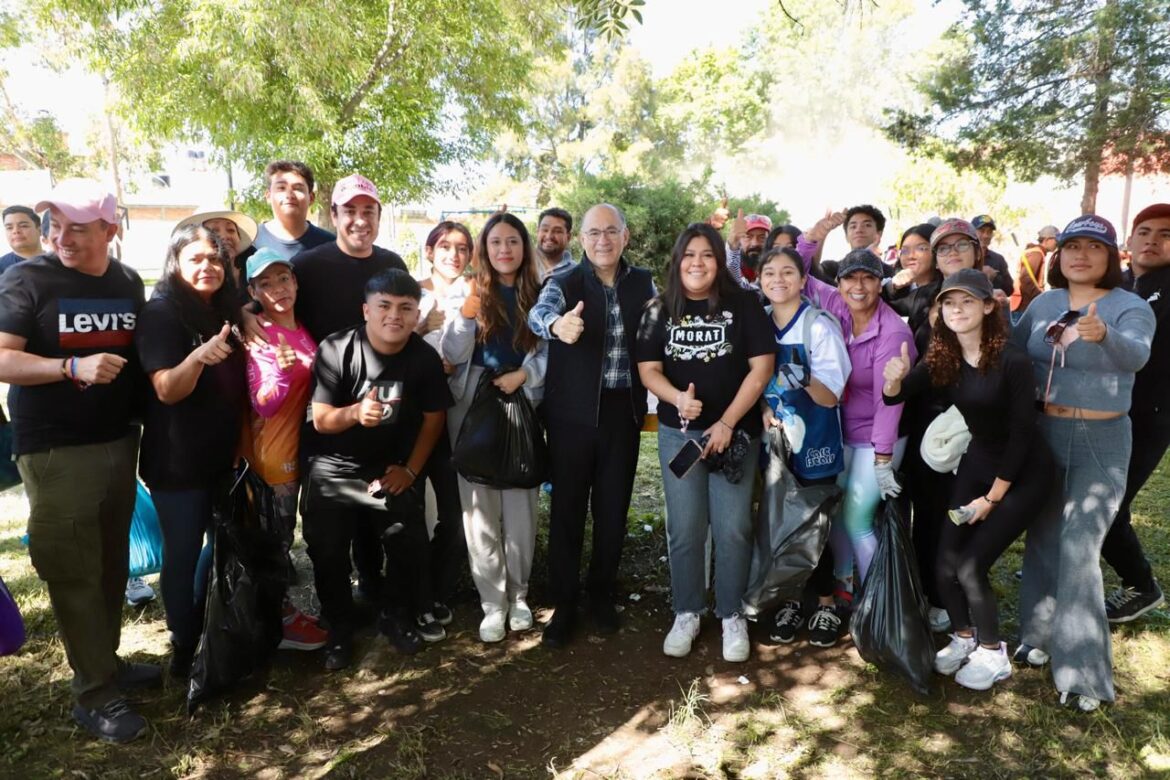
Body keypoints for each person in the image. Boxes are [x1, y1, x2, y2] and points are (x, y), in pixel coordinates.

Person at [0, 179, 156, 743]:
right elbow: (2, 358)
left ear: (110, 231)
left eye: (78, 227)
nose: (61, 237)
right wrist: (69, 368)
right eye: (54, 225)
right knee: (74, 570)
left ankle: (107, 666)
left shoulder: (125, 280)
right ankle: (93, 695)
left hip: (118, 442)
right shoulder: (27, 278)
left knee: (112, 563)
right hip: (54, 448)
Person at [883, 269, 1053, 690]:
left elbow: (1021, 435)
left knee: (972, 564)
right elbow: (896, 395)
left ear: (989, 306)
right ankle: (963, 637)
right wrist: (894, 377)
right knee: (944, 560)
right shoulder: (945, 355)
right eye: (948, 303)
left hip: (1023, 474)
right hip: (978, 460)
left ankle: (993, 653)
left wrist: (992, 498)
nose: (956, 310)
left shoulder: (1012, 360)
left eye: (967, 302)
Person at [1013, 214, 1154, 712]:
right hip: (1044, 432)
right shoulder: (1045, 302)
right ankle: (1037, 635)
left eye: (1094, 247)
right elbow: (1011, 344)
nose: (1080, 255)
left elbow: (1137, 355)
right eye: (1071, 246)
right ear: (1058, 256)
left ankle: (1085, 674)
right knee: (1044, 535)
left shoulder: (1129, 306)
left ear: (1112, 257)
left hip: (1102, 436)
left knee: (1078, 548)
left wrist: (1105, 337)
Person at [636, 222, 774, 663]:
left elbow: (762, 368)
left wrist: (727, 422)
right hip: (681, 435)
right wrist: (677, 398)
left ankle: (731, 613)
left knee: (733, 527)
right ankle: (688, 610)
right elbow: (648, 369)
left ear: (720, 260)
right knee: (685, 527)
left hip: (733, 435)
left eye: (707, 254)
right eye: (689, 254)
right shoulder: (658, 309)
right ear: (678, 260)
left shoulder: (745, 304)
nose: (697, 263)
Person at [306, 269, 452, 668]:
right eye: (384, 306)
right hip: (334, 467)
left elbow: (434, 418)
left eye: (406, 308)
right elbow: (320, 419)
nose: (395, 316)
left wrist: (410, 470)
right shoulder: (336, 348)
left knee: (407, 536)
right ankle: (338, 625)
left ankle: (395, 614)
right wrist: (355, 413)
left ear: (416, 313)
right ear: (366, 310)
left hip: (388, 468)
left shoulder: (422, 357)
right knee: (326, 547)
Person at [275, 173, 408, 604]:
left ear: (378, 217)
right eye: (349, 211)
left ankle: (374, 592)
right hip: (325, 417)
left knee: (376, 520)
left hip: (382, 415)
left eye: (368, 211)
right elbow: (266, 309)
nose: (359, 220)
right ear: (333, 215)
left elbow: (402, 326)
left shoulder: (392, 264)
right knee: (328, 536)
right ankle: (338, 625)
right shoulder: (308, 266)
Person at [528, 203, 656, 647]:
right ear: (581, 240)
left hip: (624, 414)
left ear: (625, 236)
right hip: (570, 416)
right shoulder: (563, 283)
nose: (602, 240)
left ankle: (601, 593)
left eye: (611, 232)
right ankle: (564, 603)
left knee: (612, 508)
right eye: (593, 233)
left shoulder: (643, 283)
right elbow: (537, 315)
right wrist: (556, 325)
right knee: (566, 511)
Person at [135, 224, 249, 680]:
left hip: (224, 456)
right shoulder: (162, 313)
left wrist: (241, 445)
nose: (208, 266)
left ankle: (209, 623)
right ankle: (184, 646)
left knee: (219, 545)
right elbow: (166, 389)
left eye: (216, 259)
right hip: (178, 461)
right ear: (176, 262)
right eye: (197, 259)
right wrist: (198, 357)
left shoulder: (223, 310)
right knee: (182, 555)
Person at [440, 212, 548, 643]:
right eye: (496, 242)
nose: (504, 250)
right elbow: (452, 351)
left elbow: (549, 350)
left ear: (524, 248)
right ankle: (492, 603)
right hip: (472, 408)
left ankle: (520, 596)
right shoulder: (466, 291)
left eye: (513, 242)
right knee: (478, 510)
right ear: (484, 249)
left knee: (521, 504)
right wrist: (466, 316)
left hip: (520, 404)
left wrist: (525, 376)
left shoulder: (541, 294)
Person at [755, 247, 851, 647]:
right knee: (780, 523)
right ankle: (791, 600)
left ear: (802, 278)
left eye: (788, 272)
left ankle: (826, 604)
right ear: (760, 279)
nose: (778, 280)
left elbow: (831, 397)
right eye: (770, 273)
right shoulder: (758, 323)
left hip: (815, 444)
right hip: (775, 446)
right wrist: (763, 406)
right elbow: (754, 381)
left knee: (814, 527)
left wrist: (804, 378)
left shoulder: (817, 326)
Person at [241, 247, 329, 651]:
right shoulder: (261, 333)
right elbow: (263, 402)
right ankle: (277, 627)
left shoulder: (298, 327)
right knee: (273, 544)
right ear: (253, 291)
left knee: (280, 540)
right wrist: (280, 372)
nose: (277, 289)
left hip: (297, 451)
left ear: (295, 281)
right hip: (272, 456)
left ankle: (281, 617)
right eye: (266, 283)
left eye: (283, 279)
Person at [1099, 204, 1170, 622]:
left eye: (1164, 234)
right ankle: (1074, 567)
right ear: (1128, 241)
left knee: (1108, 507)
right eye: (1143, 231)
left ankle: (1141, 586)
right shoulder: (1120, 285)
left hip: (1147, 418)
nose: (1152, 240)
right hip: (1101, 413)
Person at [414, 220, 473, 618]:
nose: (454, 254)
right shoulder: (409, 292)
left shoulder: (476, 294)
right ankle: (410, 590)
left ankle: (437, 589)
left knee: (455, 514)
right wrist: (421, 328)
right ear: (430, 251)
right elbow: (384, 346)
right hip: (413, 420)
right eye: (445, 245)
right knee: (409, 512)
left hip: (461, 417)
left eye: (463, 247)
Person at [250, 160, 335, 261]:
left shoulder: (330, 244)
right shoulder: (250, 242)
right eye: (281, 188)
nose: (289, 195)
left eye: (298, 188)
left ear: (311, 198)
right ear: (268, 196)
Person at [174, 205, 258, 286]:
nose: (225, 236)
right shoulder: (196, 281)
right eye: (214, 230)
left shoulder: (255, 267)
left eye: (231, 230)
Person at [970, 214, 1014, 296]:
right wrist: (980, 274)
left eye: (989, 232)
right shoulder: (964, 257)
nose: (986, 235)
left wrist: (997, 277)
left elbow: (1009, 289)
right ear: (972, 232)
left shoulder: (998, 259)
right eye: (982, 231)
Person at [535, 207, 575, 280]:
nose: (549, 236)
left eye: (557, 231)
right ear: (537, 232)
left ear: (568, 237)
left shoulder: (576, 273)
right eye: (545, 230)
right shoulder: (521, 265)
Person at [1, 205, 42, 273]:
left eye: (23, 226)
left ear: (40, 230)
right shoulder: (2, 268)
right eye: (9, 228)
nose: (15, 231)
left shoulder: (60, 263)